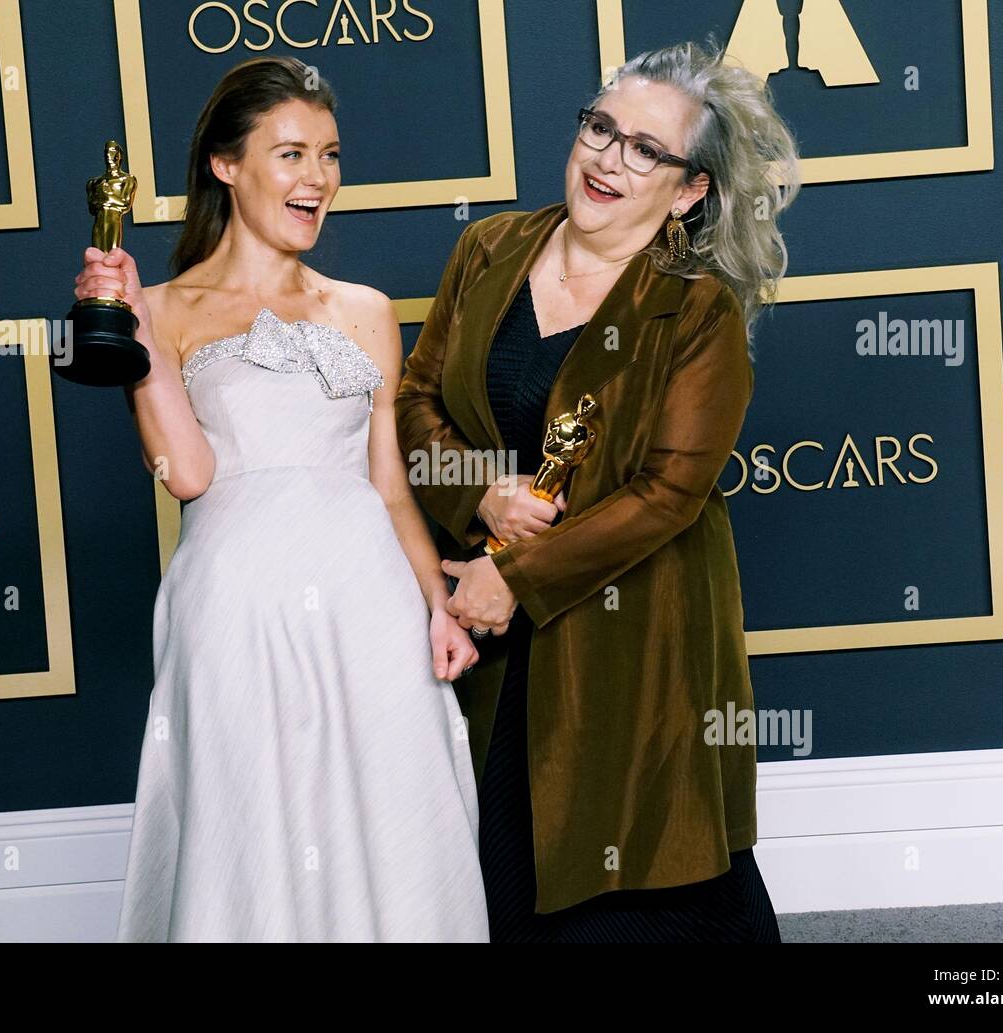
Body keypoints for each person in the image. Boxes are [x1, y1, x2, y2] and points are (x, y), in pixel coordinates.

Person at [395, 40, 802, 942]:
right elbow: (417, 401)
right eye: (600, 128)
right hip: (493, 641)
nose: (608, 160)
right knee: (507, 874)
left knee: (647, 880)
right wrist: (481, 497)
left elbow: (667, 493)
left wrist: (518, 576)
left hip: (633, 634)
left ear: (689, 189)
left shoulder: (697, 310)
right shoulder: (489, 247)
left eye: (645, 150)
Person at [83, 56, 488, 942]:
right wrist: (134, 332)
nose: (319, 179)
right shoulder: (163, 307)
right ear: (226, 165)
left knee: (391, 815)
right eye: (292, 155)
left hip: (366, 598)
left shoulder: (366, 309)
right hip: (234, 601)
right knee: (249, 824)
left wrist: (437, 603)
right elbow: (186, 474)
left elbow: (387, 485)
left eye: (331, 156)